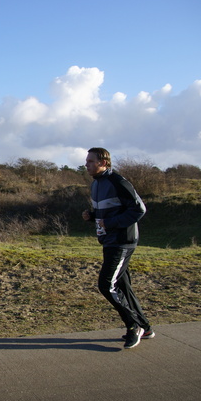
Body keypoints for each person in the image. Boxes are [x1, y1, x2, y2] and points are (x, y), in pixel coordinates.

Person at [82, 148, 154, 349]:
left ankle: (134, 325)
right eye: (86, 161)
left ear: (103, 162)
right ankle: (145, 327)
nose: (86, 164)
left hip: (122, 241)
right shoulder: (96, 184)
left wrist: (111, 223)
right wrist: (92, 215)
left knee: (106, 284)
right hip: (108, 241)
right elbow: (107, 211)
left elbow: (139, 209)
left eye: (90, 161)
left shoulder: (118, 182)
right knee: (123, 287)